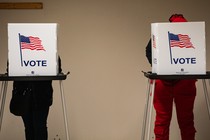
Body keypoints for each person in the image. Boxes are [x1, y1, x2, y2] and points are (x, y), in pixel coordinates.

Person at [146, 14, 197, 140]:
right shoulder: (191, 34)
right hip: (185, 80)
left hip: (163, 81)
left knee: (162, 122)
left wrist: (157, 66)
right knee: (186, 122)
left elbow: (148, 51)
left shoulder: (161, 33)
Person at [10, 57, 62, 140]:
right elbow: (10, 69)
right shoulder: (18, 49)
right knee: (31, 127)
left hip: (40, 94)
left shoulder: (48, 50)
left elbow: (57, 69)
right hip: (24, 94)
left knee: (39, 126)